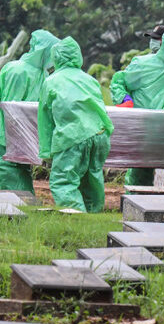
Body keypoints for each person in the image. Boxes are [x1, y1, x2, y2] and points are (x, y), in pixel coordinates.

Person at [0, 30, 60, 193]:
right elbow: (9, 111)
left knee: (16, 170)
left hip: (14, 134)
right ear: (43, 51)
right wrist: (10, 143)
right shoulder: (18, 70)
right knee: (6, 170)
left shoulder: (42, 74)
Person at [109, 26, 164, 186]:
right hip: (141, 125)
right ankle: (135, 199)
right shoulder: (142, 64)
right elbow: (119, 81)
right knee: (141, 169)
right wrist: (124, 98)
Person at [38, 37, 114, 213]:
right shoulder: (89, 79)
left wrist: (47, 152)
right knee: (92, 179)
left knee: (63, 181)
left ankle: (77, 216)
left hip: (72, 136)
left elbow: (46, 121)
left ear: (55, 58)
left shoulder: (51, 81)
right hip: (100, 134)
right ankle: (93, 216)